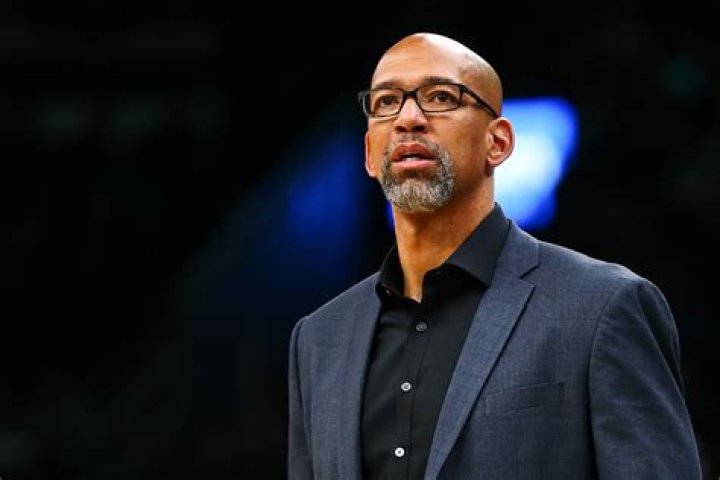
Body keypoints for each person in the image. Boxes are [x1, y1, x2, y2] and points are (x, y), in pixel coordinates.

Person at [287, 32, 702, 479]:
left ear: (498, 142)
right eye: (387, 102)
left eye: (440, 97)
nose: (408, 118)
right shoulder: (318, 339)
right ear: (370, 154)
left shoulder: (604, 307)